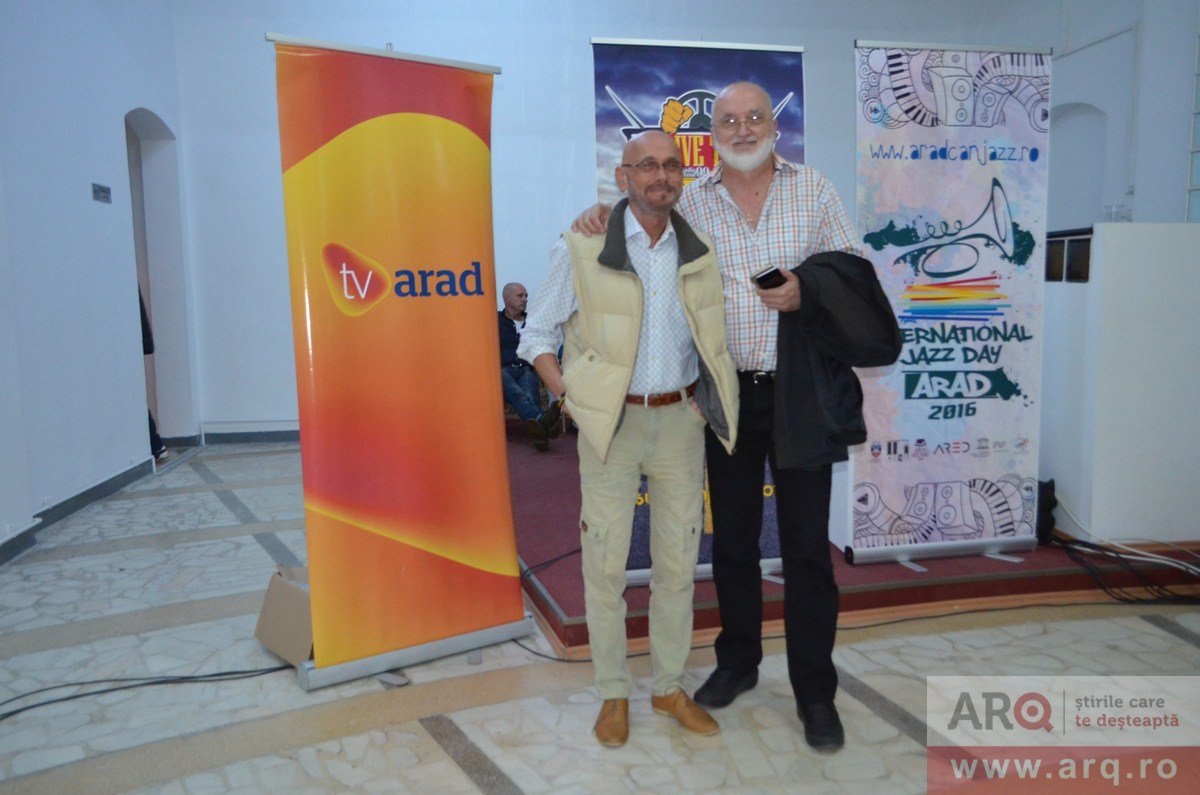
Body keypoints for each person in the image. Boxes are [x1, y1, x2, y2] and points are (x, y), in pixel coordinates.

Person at [572, 82, 901, 751]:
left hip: (801, 394)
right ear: (713, 134)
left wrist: (809, 290)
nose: (743, 128)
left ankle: (815, 691)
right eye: (729, 120)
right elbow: (643, 225)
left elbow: (855, 273)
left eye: (754, 117)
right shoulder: (692, 200)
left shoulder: (815, 190)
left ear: (773, 126)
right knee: (732, 543)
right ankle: (738, 661)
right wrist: (599, 213)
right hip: (722, 396)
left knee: (806, 550)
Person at [519, 130, 740, 748]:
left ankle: (668, 687)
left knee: (677, 566)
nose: (660, 176)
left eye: (671, 165)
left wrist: (703, 400)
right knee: (605, 563)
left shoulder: (700, 249)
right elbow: (536, 334)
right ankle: (613, 693)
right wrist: (571, 396)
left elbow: (715, 331)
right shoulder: (582, 245)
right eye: (646, 165)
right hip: (610, 427)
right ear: (623, 177)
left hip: (680, 425)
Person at [499, 282, 560, 451]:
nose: (525, 299)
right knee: (517, 393)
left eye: (526, 296)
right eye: (520, 296)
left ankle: (540, 430)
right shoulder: (495, 320)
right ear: (506, 298)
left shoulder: (534, 322)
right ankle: (543, 424)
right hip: (503, 369)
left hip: (526, 367)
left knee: (531, 397)